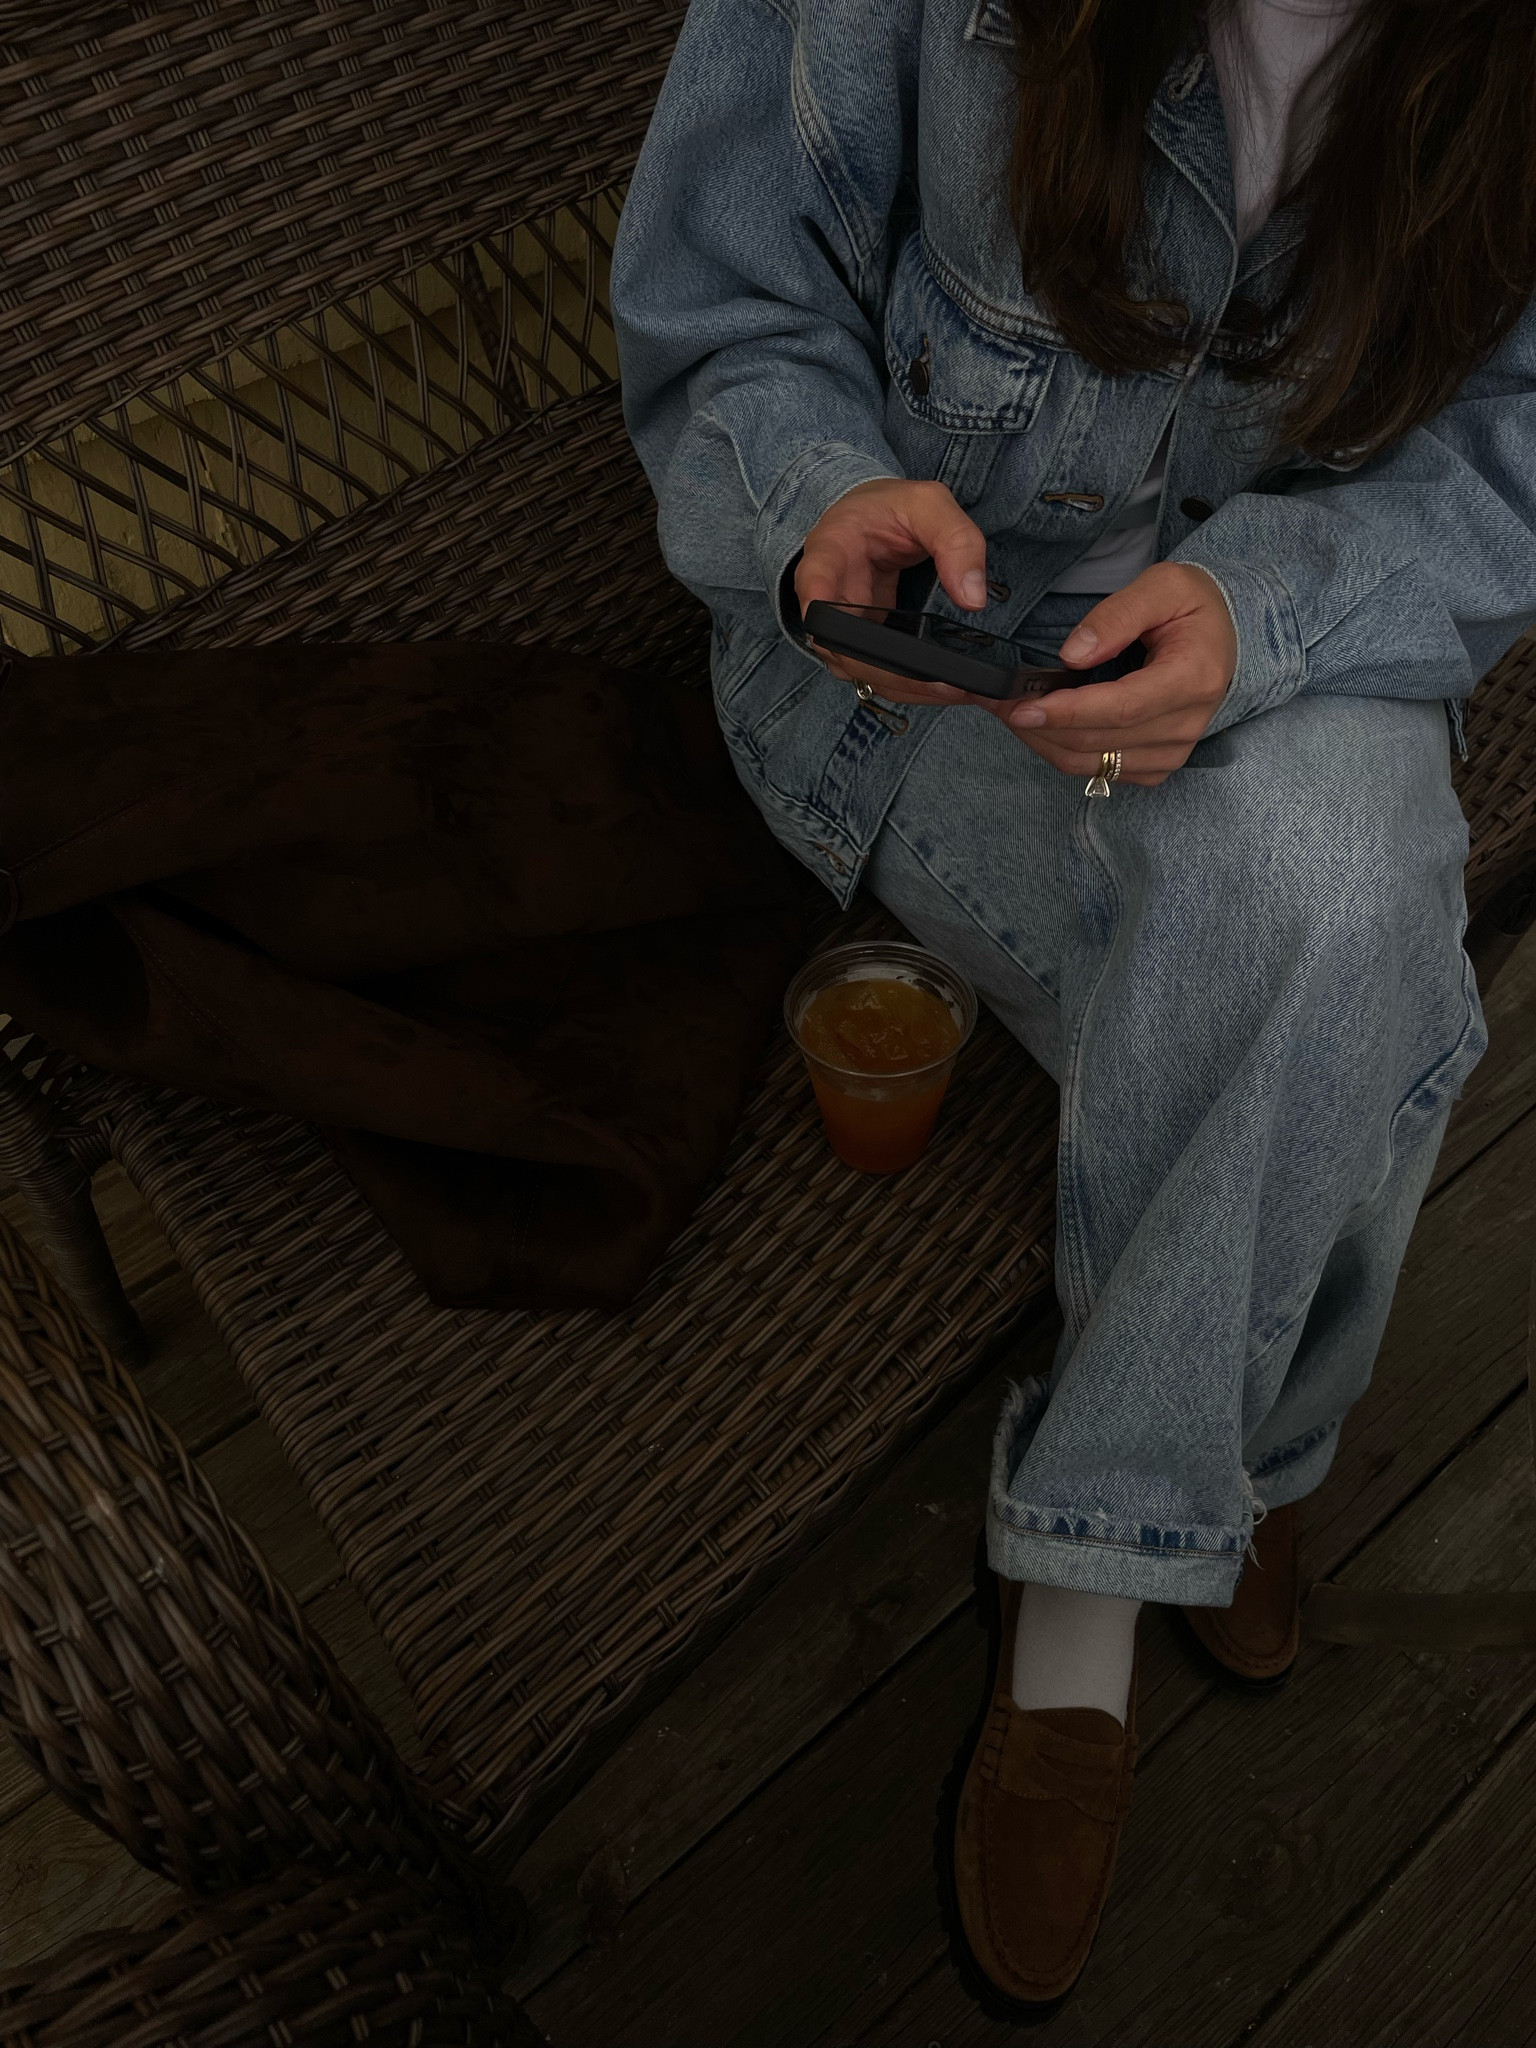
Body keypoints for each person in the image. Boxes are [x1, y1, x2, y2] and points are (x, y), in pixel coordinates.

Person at [611, 0, 1536, 2013]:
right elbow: (723, 304)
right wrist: (812, 513)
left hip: (1309, 650)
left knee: (1329, 884)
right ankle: (1256, 1455)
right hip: (916, 693)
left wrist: (1261, 615)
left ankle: (1083, 1594)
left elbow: (1511, 465)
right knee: (1345, 934)